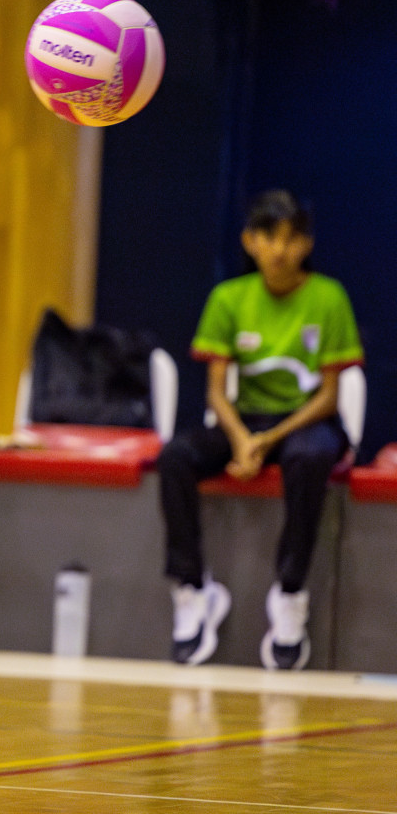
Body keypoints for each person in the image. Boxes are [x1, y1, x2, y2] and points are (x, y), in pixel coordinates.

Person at [159, 189, 362, 671]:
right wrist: (242, 438)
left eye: (292, 238)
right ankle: (193, 589)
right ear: (249, 241)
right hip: (244, 420)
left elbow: (330, 396)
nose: (279, 249)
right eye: (268, 237)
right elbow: (214, 393)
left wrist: (265, 443)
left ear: (306, 245)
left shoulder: (329, 298)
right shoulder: (228, 298)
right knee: (174, 456)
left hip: (305, 421)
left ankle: (290, 595)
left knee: (309, 457)